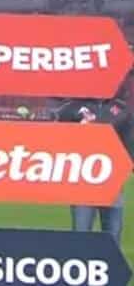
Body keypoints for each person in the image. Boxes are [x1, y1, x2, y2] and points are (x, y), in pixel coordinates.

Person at [57, 95, 133, 240]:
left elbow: (129, 142)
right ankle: (80, 254)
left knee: (113, 232)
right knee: (81, 233)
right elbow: (58, 137)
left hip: (112, 178)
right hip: (83, 180)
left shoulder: (121, 109)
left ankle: (110, 256)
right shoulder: (72, 108)